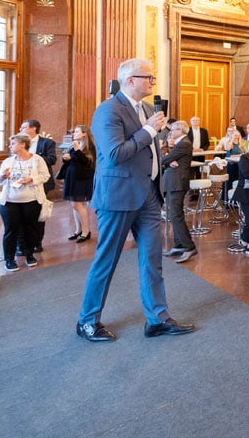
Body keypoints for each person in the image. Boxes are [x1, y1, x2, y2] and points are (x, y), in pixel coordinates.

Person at [76, 59, 195, 343]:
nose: (153, 82)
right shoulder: (108, 110)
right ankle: (87, 321)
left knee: (152, 259)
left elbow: (147, 149)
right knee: (106, 260)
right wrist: (150, 131)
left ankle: (157, 318)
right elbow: (115, 154)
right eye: (148, 77)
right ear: (130, 80)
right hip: (118, 196)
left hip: (148, 196)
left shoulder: (147, 110)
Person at [0, 133, 51, 272]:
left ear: (22, 144)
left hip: (31, 201)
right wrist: (3, 176)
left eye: (13, 143)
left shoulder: (37, 160)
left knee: (30, 229)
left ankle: (29, 255)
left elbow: (45, 176)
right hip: (9, 201)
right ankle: (9, 260)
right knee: (10, 230)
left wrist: (31, 179)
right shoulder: (8, 161)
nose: (10, 146)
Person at [161, 120, 198, 263]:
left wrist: (167, 160)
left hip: (177, 183)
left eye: (173, 129)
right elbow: (168, 159)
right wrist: (169, 160)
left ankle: (189, 247)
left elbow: (164, 159)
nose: (170, 132)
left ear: (181, 131)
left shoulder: (184, 143)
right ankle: (179, 245)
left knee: (176, 216)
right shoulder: (180, 143)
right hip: (173, 182)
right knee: (173, 215)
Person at [18, 119, 56, 254]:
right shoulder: (18, 142)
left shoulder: (47, 143)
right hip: (22, 184)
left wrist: (32, 158)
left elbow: (52, 159)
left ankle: (37, 242)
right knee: (21, 214)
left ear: (33, 128)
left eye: (23, 127)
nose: (20, 129)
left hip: (41, 183)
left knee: (38, 213)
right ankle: (21, 244)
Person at [59, 125, 95, 243]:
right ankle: (78, 230)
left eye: (77, 131)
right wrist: (66, 158)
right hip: (72, 178)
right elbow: (72, 160)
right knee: (74, 205)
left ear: (84, 133)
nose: (74, 133)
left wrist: (77, 150)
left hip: (82, 179)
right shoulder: (75, 145)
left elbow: (87, 162)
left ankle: (86, 231)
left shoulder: (90, 147)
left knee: (78, 205)